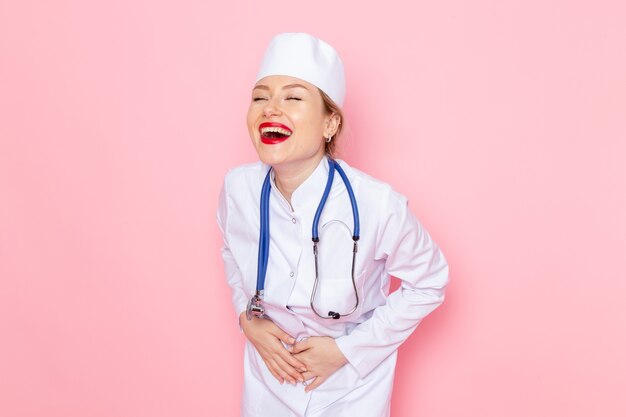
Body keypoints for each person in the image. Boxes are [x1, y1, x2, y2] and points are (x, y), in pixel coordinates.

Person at [217, 32, 449, 417]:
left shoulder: (376, 203)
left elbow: (430, 281)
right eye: (260, 97)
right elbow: (231, 248)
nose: (270, 108)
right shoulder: (237, 189)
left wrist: (347, 351)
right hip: (268, 379)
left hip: (351, 389)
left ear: (330, 124)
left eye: (292, 97)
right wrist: (246, 316)